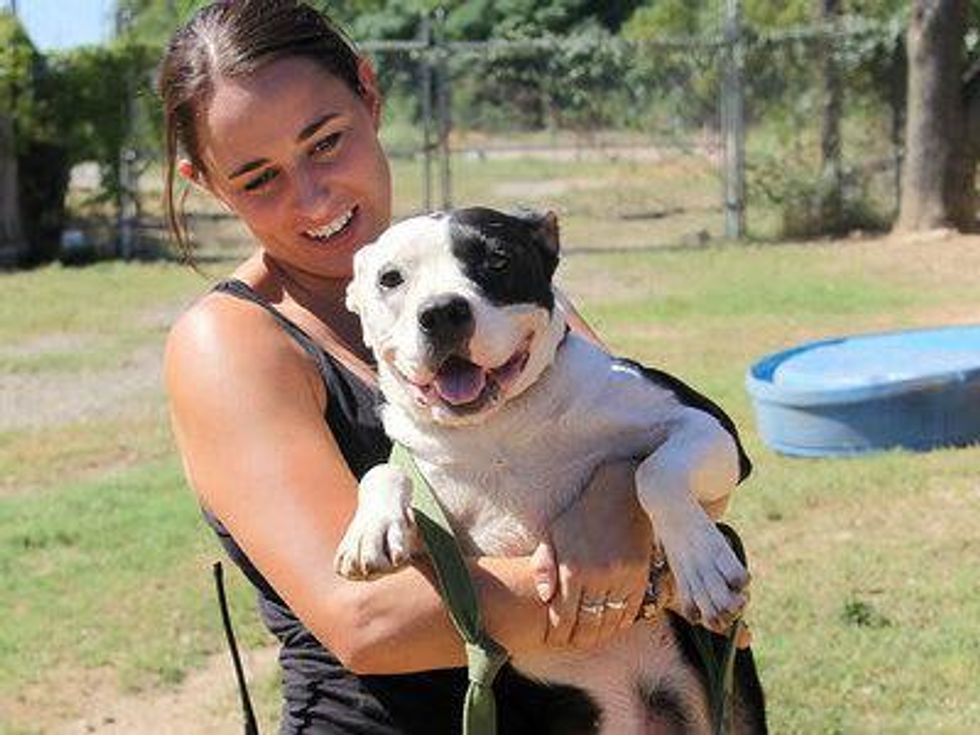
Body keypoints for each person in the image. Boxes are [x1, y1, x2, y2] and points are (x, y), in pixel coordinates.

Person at [161, 2, 743, 732]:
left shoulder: (483, 276)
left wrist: (627, 500)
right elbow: (369, 619)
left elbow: (667, 464)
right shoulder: (230, 341)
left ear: (369, 96)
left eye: (326, 142)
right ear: (207, 182)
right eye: (258, 179)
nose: (313, 199)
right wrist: (650, 577)